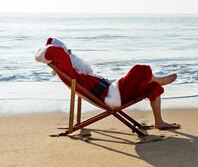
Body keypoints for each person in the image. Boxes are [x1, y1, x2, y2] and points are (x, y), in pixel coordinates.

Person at [35, 37, 179, 130]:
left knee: (152, 87)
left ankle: (159, 122)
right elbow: (52, 52)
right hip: (112, 96)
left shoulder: (76, 69)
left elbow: (57, 52)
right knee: (139, 69)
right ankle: (160, 79)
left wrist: (65, 50)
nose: (70, 50)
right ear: (63, 53)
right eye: (67, 49)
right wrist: (59, 49)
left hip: (113, 90)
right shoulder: (69, 68)